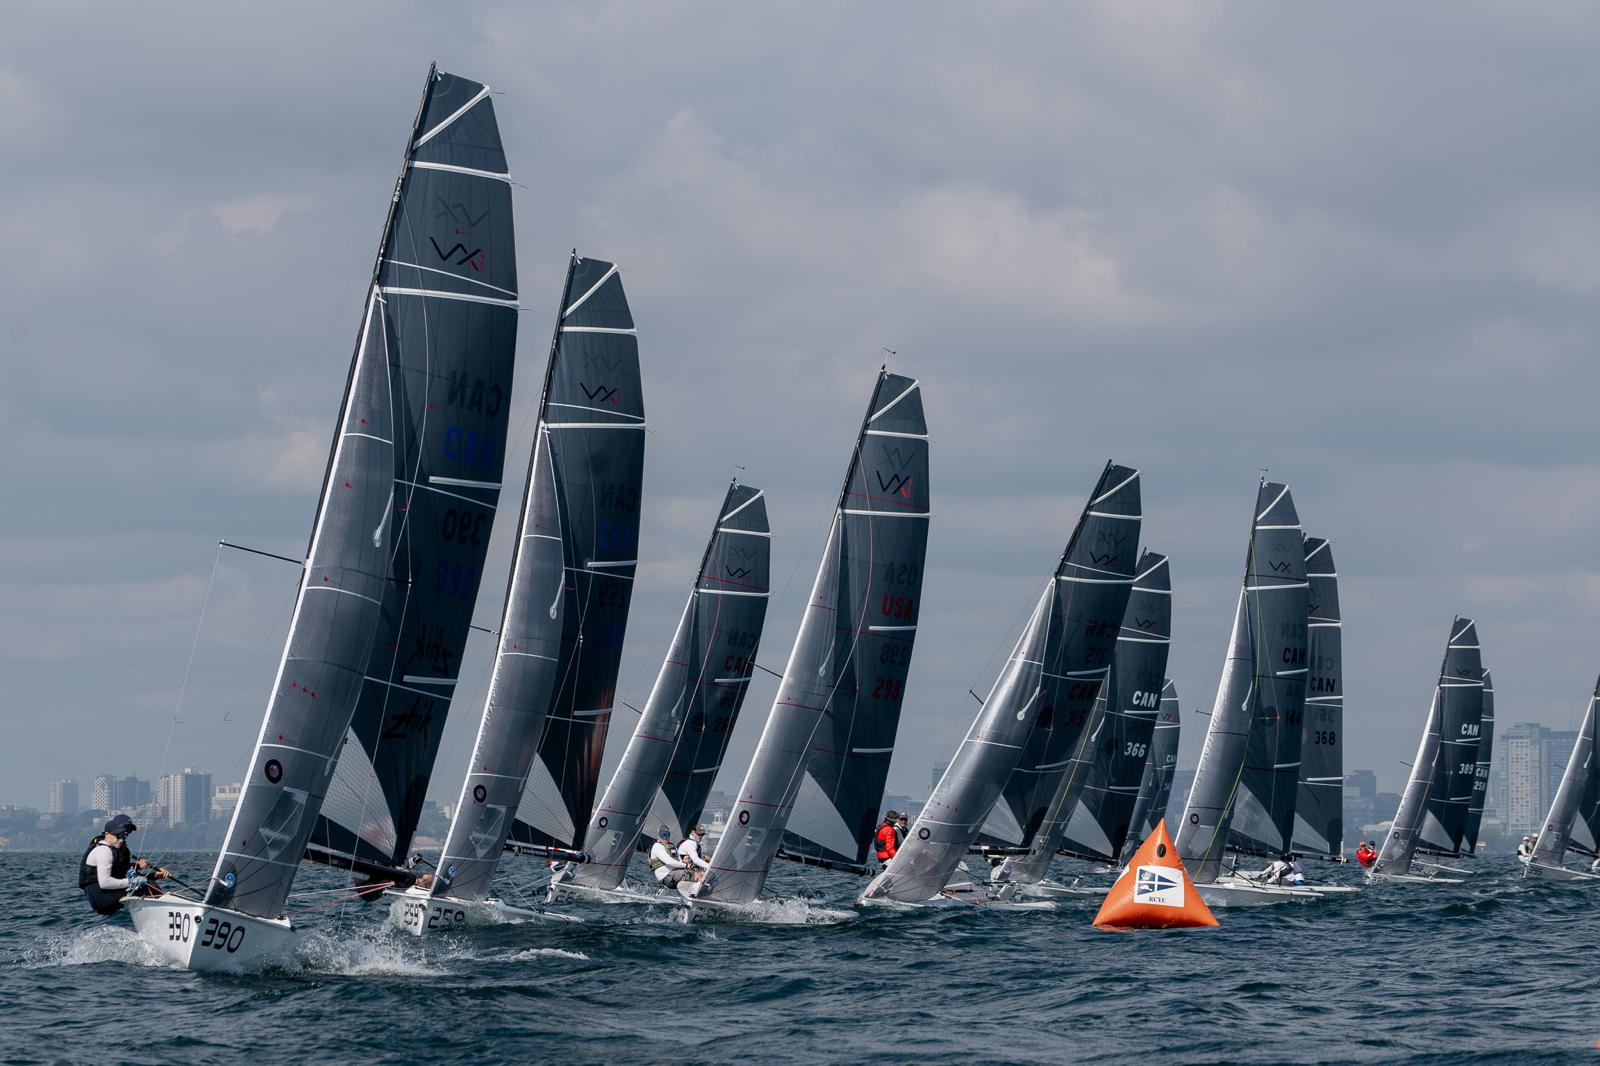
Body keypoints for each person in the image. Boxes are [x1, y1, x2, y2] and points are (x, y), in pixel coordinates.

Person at [80, 815, 168, 916]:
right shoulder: (103, 850)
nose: (121, 840)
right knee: (150, 888)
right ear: (107, 834)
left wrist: (155, 875)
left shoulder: (114, 850)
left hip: (102, 896)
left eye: (124, 836)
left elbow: (123, 874)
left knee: (150, 885)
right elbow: (105, 883)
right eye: (118, 835)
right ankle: (165, 915)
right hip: (101, 898)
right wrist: (133, 881)